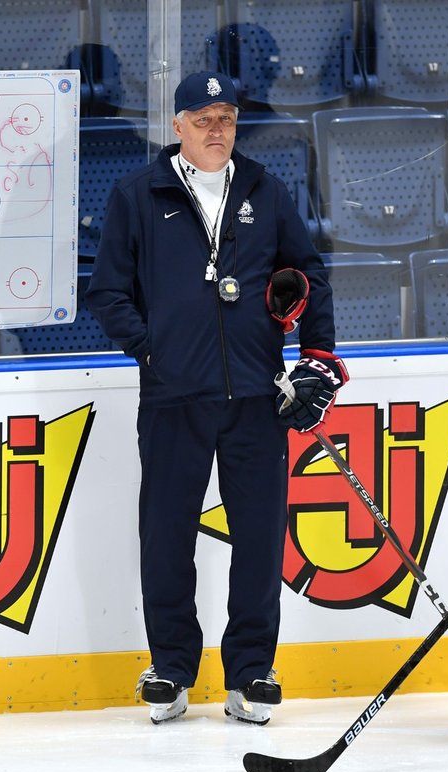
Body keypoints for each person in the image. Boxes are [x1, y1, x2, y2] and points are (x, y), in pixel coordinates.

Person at [85, 71, 345, 725]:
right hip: (174, 397)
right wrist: (152, 351)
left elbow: (309, 273)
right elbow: (109, 291)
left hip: (256, 394)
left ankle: (251, 670)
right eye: (202, 120)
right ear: (176, 127)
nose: (216, 130)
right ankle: (172, 668)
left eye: (226, 118)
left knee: (258, 535)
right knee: (167, 535)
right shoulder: (137, 194)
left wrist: (318, 357)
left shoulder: (264, 189)